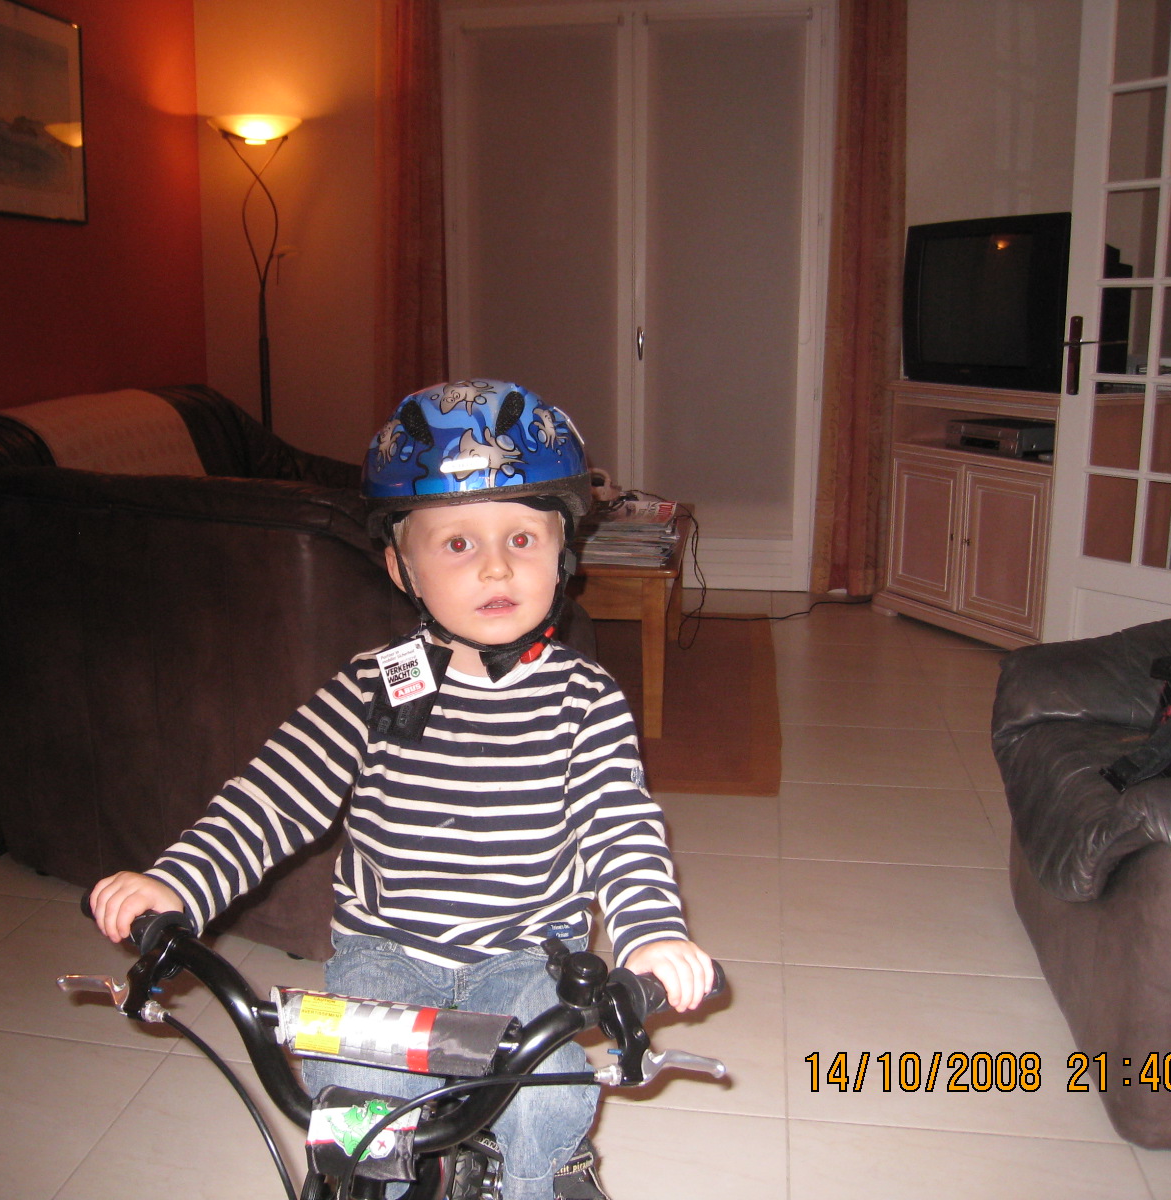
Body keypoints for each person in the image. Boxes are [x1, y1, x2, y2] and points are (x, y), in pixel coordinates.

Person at [90, 379, 714, 1200]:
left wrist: (650, 937)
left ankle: (543, 1176)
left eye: (523, 537)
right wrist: (178, 882)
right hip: (386, 955)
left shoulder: (585, 700)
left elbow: (620, 825)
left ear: (564, 553)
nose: (496, 565)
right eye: (456, 543)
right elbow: (273, 796)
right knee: (356, 1101)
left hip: (528, 957)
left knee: (547, 1094)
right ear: (400, 567)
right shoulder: (373, 687)